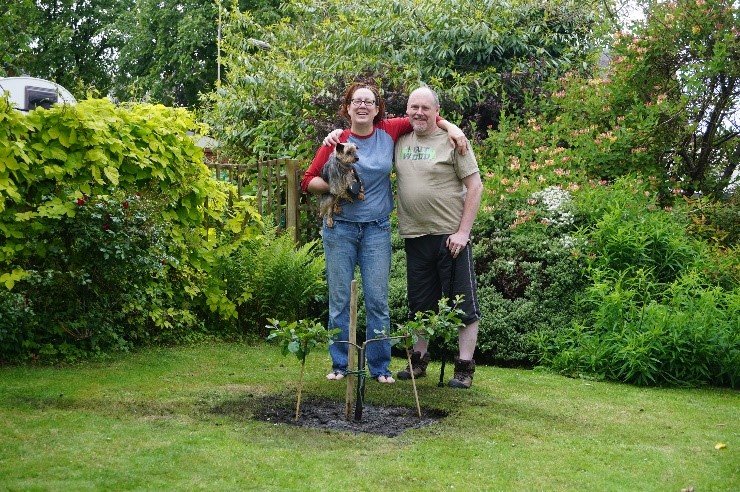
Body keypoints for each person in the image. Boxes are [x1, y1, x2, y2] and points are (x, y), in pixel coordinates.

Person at [301, 82, 467, 384]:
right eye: (356, 101)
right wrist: (337, 187)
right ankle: (340, 364)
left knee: (377, 301)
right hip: (340, 230)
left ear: (377, 109)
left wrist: (453, 128)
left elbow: (426, 116)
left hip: (376, 230)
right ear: (348, 107)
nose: (362, 106)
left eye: (369, 101)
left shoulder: (389, 131)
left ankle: (379, 368)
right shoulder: (336, 141)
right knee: (339, 300)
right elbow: (308, 180)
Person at [394, 86, 483, 389]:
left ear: (436, 111)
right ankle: (417, 362)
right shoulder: (400, 139)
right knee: (420, 304)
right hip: (415, 236)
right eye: (413, 107)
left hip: (450, 237)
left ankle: (464, 368)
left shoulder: (453, 141)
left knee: (462, 304)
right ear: (406, 111)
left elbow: (475, 186)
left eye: (425, 108)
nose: (419, 113)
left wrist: (463, 232)